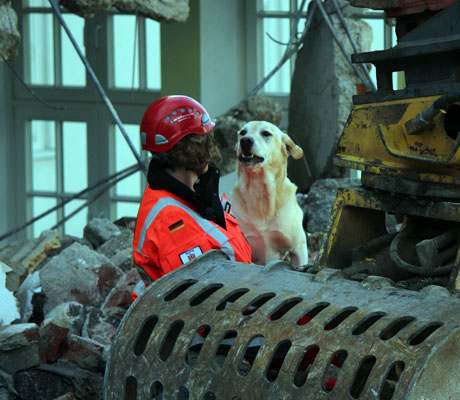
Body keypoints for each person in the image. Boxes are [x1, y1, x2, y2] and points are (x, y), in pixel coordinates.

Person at [132, 95, 253, 287]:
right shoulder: (171, 222)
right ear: (191, 148)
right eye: (206, 140)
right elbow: (206, 295)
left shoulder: (196, 197)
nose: (212, 148)